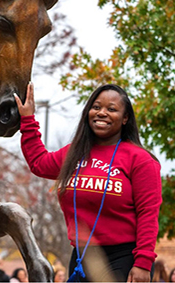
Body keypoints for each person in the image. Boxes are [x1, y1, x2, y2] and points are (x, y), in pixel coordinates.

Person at [14, 83, 162, 282]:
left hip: (124, 258)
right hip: (82, 257)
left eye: (111, 109)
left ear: (125, 118)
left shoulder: (141, 160)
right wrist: (28, 119)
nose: (102, 113)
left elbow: (148, 214)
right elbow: (39, 163)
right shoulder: (74, 153)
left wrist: (143, 263)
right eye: (96, 107)